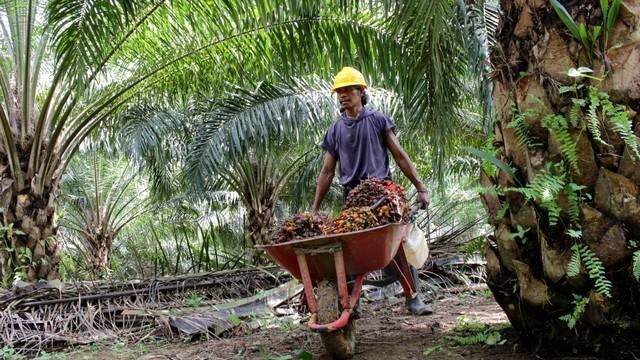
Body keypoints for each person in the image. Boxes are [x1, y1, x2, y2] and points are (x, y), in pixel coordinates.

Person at [311, 66, 433, 316]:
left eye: (347, 90)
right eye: (339, 92)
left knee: (396, 245)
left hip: (383, 195)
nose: (342, 95)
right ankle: (351, 303)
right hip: (354, 197)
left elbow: (399, 155)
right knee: (348, 249)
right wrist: (314, 208)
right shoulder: (335, 130)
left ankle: (413, 297)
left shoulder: (378, 120)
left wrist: (420, 187)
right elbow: (326, 172)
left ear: (361, 91)